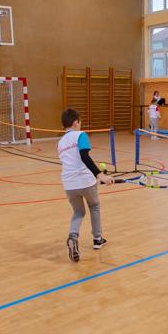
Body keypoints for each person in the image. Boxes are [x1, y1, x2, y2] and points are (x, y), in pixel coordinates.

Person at [57, 108, 114, 263]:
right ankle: (97, 239)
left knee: (78, 211)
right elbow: (84, 157)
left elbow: (71, 162)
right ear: (76, 123)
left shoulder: (60, 143)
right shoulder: (81, 135)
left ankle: (73, 236)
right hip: (84, 181)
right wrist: (100, 175)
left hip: (68, 184)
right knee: (94, 206)